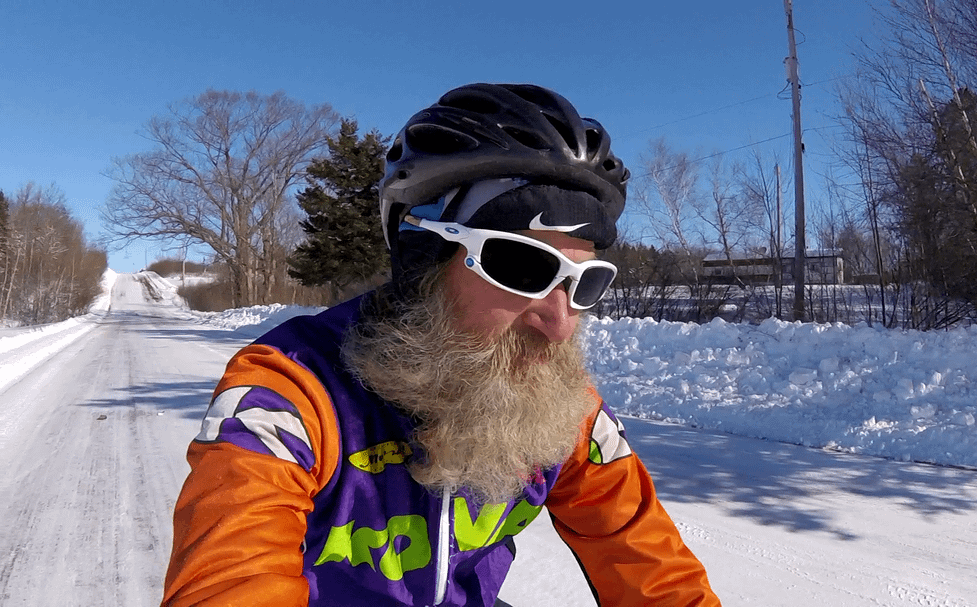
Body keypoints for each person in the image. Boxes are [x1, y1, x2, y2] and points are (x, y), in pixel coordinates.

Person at [161, 83, 721, 607]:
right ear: (421, 262)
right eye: (521, 267)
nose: (559, 324)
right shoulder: (292, 392)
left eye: (586, 281)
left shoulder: (558, 404)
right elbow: (231, 575)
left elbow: (656, 572)